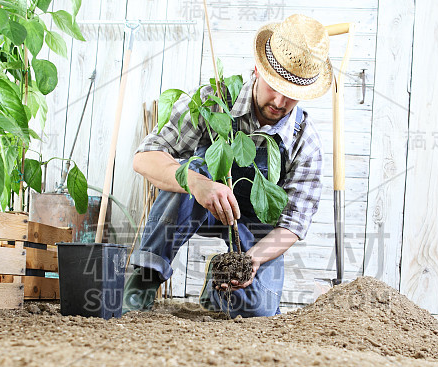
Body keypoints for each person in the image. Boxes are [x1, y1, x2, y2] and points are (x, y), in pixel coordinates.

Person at [123, 13, 332, 318]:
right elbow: (145, 157)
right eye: (274, 85)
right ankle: (145, 278)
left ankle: (218, 281)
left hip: (256, 226)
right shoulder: (214, 102)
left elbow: (293, 224)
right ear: (258, 69)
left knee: (258, 309)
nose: (279, 101)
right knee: (187, 170)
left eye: (292, 96)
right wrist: (196, 182)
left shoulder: (305, 142)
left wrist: (252, 261)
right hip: (201, 205)